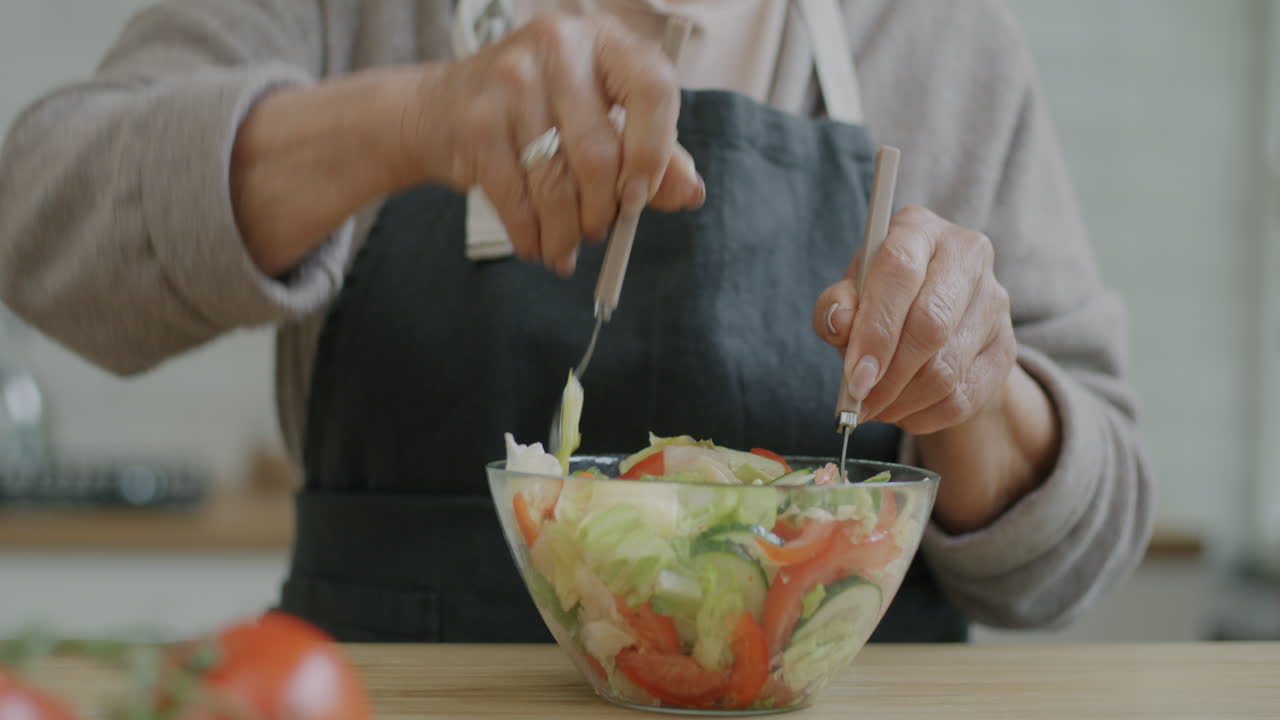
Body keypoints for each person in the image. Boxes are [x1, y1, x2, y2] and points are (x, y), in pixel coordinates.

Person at [0, 0, 1153, 643]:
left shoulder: (939, 37)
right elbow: (39, 226)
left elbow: (1070, 559)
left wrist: (976, 392)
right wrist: (406, 118)